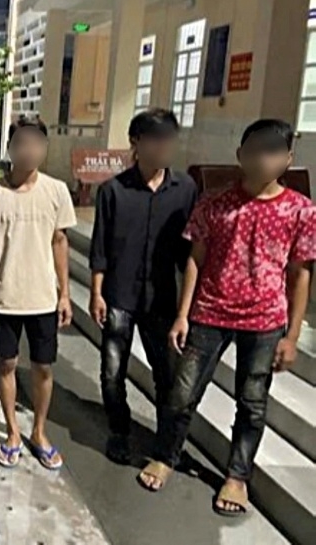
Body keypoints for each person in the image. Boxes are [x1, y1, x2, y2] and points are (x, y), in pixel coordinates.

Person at [138, 119, 315, 517]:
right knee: (182, 393)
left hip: (266, 321)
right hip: (210, 312)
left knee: (252, 402)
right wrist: (183, 315)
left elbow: (301, 274)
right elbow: (195, 260)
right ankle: (165, 456)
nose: (262, 159)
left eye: (272, 151)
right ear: (240, 155)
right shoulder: (215, 203)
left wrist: (291, 336)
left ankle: (237, 476)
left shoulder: (300, 210)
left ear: (288, 159)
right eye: (254, 150)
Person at [89, 109, 198, 463]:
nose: (164, 146)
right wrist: (96, 293)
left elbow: (190, 252)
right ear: (136, 142)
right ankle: (119, 431)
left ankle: (165, 442)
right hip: (119, 296)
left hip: (161, 299)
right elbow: (100, 248)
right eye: (156, 139)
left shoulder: (185, 189)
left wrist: (187, 308)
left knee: (166, 376)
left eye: (169, 139)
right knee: (112, 372)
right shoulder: (113, 191)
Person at [0, 117, 77, 470]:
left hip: (43, 298)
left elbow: (60, 242)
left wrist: (64, 294)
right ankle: (13, 433)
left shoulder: (56, 191)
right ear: (10, 148)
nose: (29, 150)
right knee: (6, 365)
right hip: (4, 298)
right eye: (21, 143)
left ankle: (39, 432)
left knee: (43, 367)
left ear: (44, 149)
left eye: (36, 144)